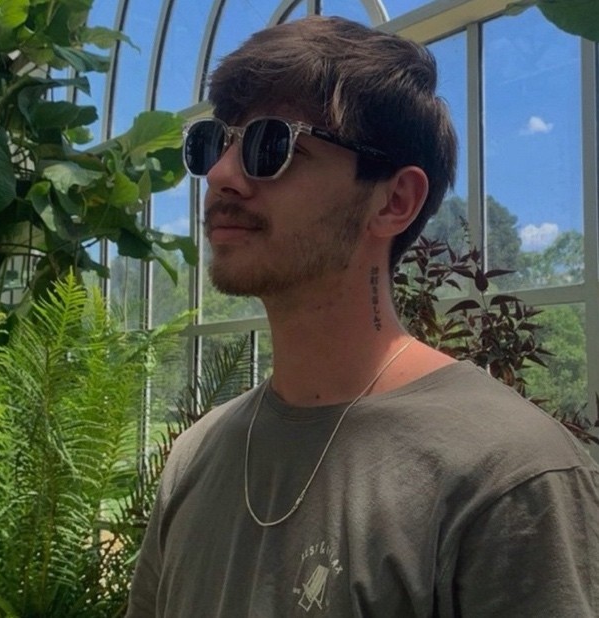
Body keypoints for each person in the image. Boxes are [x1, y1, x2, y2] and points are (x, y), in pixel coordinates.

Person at [126, 15, 599, 617]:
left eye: (271, 144)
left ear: (395, 200)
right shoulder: (196, 455)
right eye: (214, 143)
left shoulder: (508, 474)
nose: (221, 175)